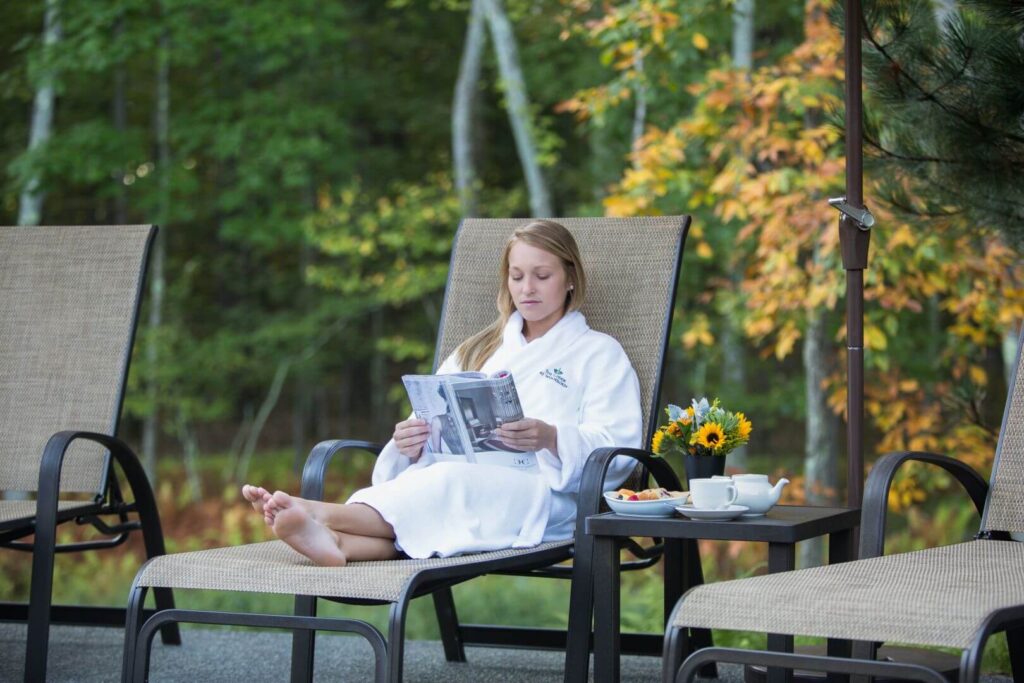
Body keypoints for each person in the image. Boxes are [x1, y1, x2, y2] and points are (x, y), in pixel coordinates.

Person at [242, 219, 642, 566]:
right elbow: (431, 415)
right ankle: (337, 543)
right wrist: (409, 441)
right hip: (462, 487)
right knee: (446, 484)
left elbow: (619, 450)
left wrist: (552, 438)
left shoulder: (599, 353)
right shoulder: (478, 348)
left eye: (542, 275)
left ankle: (318, 513)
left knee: (452, 482)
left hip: (546, 497)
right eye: (517, 276)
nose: (527, 288)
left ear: (571, 278)